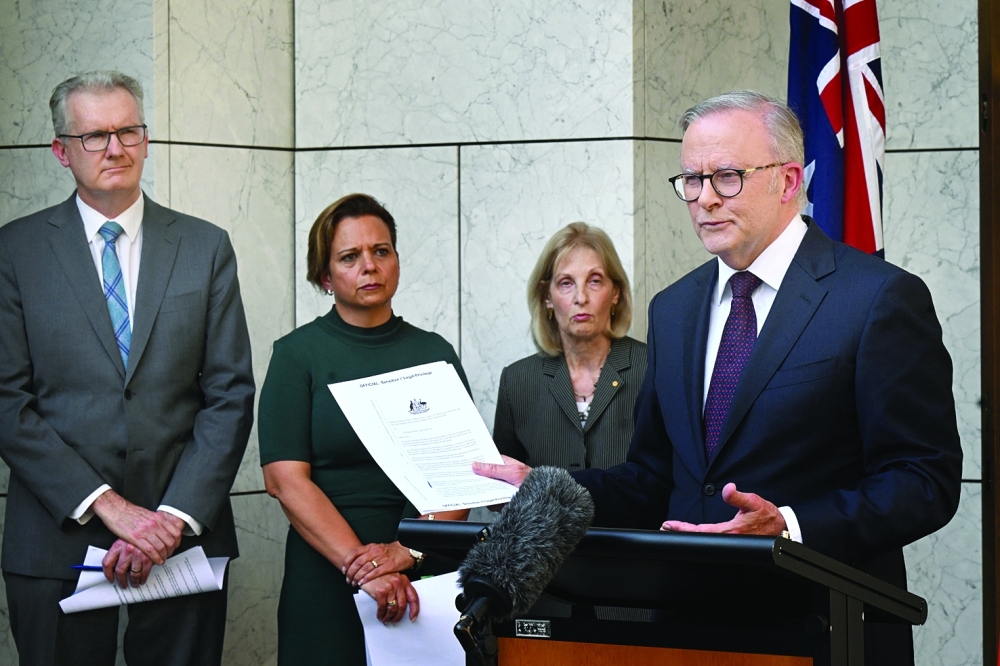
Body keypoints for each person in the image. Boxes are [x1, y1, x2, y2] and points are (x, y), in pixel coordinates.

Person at [474, 91, 963, 664]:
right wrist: (549, 488)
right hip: (685, 631)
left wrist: (791, 527)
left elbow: (923, 480)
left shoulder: (876, 298)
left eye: (727, 177)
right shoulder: (675, 308)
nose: (704, 199)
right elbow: (655, 477)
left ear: (786, 181)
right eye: (691, 180)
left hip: (821, 628)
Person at [0, 71, 255, 666]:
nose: (115, 148)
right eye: (94, 136)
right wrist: (111, 507)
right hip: (56, 538)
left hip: (182, 541)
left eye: (128, 131)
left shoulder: (204, 246)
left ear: (145, 138)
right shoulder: (15, 251)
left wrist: (169, 520)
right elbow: (7, 401)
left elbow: (230, 395)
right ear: (61, 151)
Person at [258, 193, 470, 666]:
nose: (369, 266)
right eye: (350, 257)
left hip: (423, 571)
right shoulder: (296, 355)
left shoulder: (435, 353)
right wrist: (366, 568)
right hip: (325, 572)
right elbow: (284, 480)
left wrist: (409, 551)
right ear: (325, 276)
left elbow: (458, 473)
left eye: (381, 251)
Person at [494, 222, 646, 473]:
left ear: (615, 293)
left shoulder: (652, 368)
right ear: (547, 297)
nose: (581, 298)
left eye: (594, 281)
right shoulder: (518, 381)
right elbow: (499, 491)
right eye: (566, 283)